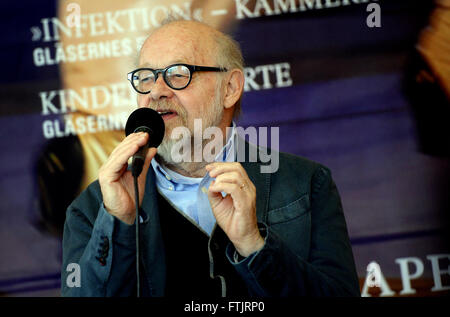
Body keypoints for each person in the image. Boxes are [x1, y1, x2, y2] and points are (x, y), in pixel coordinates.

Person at [61, 19, 360, 297]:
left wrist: (256, 247)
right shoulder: (91, 209)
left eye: (178, 74)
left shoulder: (307, 184)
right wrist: (118, 222)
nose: (156, 91)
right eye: (146, 77)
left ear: (230, 88)